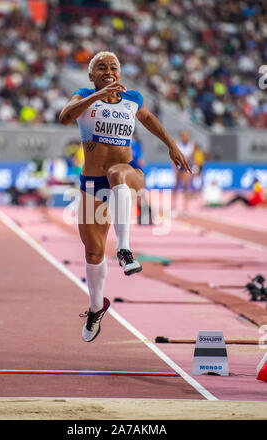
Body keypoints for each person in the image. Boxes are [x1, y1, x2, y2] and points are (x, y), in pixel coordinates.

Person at [59, 51, 192, 342]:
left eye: (114, 68)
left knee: (118, 172)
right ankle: (96, 307)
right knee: (92, 252)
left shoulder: (132, 99)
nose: (109, 72)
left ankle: (124, 249)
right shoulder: (83, 96)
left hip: (129, 174)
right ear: (91, 76)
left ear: (120, 73)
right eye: (102, 68)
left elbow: (150, 119)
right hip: (92, 183)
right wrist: (98, 95)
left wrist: (170, 144)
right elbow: (64, 117)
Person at [172, 130, 195, 215]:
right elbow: (173, 157)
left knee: (186, 186)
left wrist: (193, 168)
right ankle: (174, 206)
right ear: (181, 136)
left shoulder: (191, 145)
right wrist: (175, 167)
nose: (186, 137)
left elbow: (193, 158)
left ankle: (185, 208)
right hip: (179, 166)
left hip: (186, 166)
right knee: (176, 186)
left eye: (187, 135)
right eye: (184, 135)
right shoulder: (177, 144)